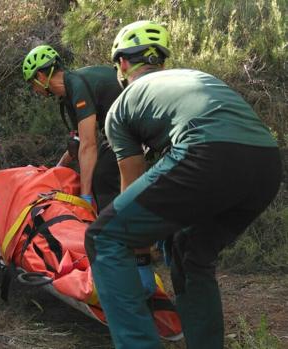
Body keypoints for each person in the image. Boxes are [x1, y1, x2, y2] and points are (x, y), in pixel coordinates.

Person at [85, 20, 282, 349]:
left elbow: (130, 189)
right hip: (266, 164)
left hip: (208, 151)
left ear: (121, 64)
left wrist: (139, 259)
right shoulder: (193, 77)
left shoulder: (121, 106)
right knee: (190, 254)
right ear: (159, 61)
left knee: (103, 237)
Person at [21, 45, 122, 212]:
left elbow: (88, 145)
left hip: (134, 125)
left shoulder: (77, 86)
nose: (34, 90)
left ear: (40, 76)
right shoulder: (67, 93)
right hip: (117, 130)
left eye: (32, 84)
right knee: (98, 172)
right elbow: (80, 141)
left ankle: (112, 230)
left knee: (102, 175)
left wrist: (85, 196)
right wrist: (56, 169)